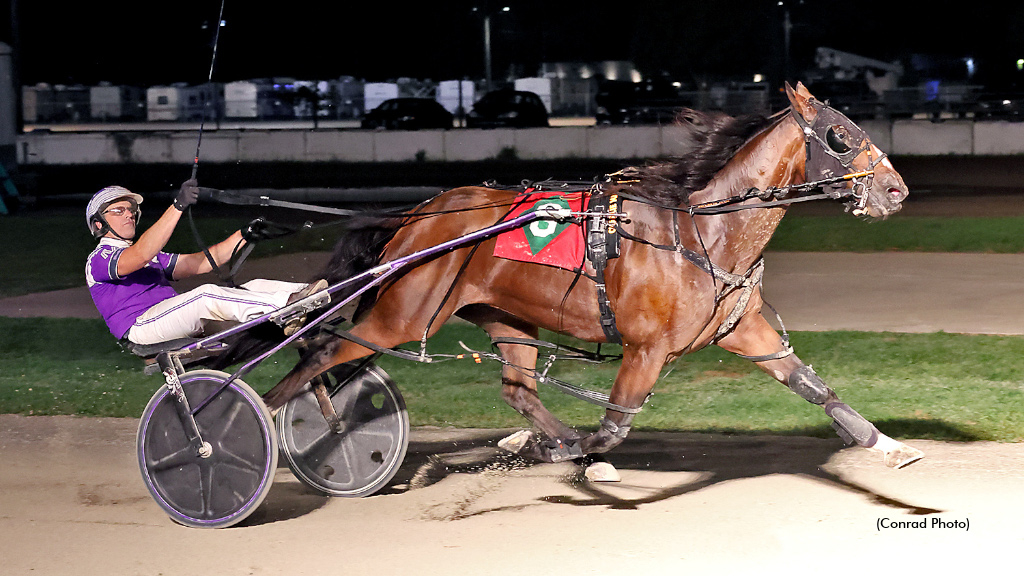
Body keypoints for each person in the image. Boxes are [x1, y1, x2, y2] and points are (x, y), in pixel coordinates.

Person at [85, 179, 328, 347]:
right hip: (141, 327)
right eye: (118, 211)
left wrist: (244, 236)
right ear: (99, 224)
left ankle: (315, 295)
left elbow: (201, 264)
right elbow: (140, 255)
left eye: (131, 210)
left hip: (167, 317)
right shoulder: (99, 259)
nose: (129, 214)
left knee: (251, 286)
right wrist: (178, 206)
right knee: (205, 296)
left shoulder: (151, 255)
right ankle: (288, 308)